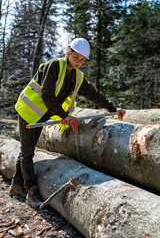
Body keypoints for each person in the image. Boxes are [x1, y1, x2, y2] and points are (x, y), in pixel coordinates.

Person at [9, 38, 126, 207]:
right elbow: (47, 94)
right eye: (76, 57)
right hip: (29, 111)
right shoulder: (54, 66)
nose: (78, 62)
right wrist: (64, 115)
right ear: (68, 52)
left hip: (41, 115)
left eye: (82, 59)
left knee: (27, 150)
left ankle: (16, 186)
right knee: (27, 153)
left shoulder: (77, 77)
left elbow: (93, 94)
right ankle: (31, 192)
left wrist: (113, 109)